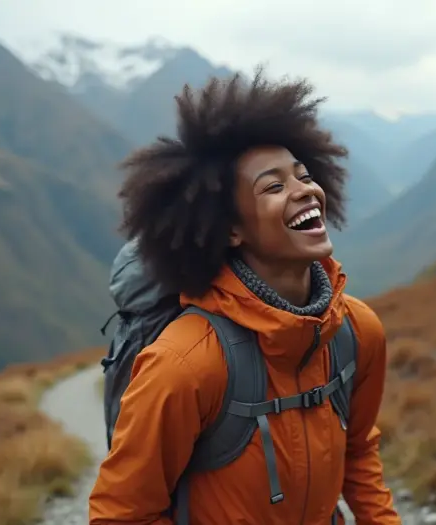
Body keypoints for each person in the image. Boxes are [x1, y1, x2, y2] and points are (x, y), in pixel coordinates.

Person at [88, 68, 400, 525]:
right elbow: (122, 515)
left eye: (303, 175)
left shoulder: (356, 331)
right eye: (274, 187)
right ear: (232, 229)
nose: (305, 191)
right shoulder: (185, 364)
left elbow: (357, 451)